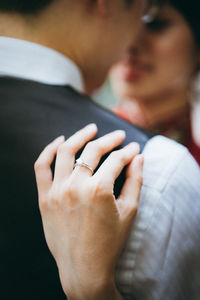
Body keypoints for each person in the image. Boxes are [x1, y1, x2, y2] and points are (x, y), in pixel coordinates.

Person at [0, 0, 200, 299]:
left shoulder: (168, 167)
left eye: (155, 23)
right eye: (138, 17)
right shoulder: (157, 167)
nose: (133, 42)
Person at [110, 0, 200, 165]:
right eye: (120, 23)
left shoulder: (194, 165)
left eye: (156, 25)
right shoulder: (80, 136)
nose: (129, 43)